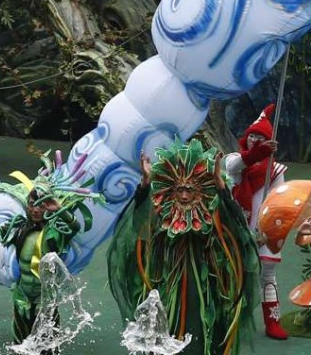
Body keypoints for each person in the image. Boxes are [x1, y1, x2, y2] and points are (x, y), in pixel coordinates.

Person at [108, 139, 258, 355]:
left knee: (199, 323)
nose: (185, 196)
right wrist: (145, 185)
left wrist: (220, 185)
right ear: (171, 190)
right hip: (167, 280)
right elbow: (138, 226)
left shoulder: (212, 212)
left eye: (190, 189)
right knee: (166, 322)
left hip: (203, 283)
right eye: (180, 190)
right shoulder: (161, 211)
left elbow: (237, 227)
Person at [0, 151, 101, 346]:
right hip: (22, 297)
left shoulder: (56, 232)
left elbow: (74, 227)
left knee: (48, 347)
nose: (36, 209)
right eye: (32, 204)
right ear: (27, 205)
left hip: (46, 300)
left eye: (41, 205)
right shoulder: (18, 229)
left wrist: (59, 210)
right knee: (20, 345)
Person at [223, 102, 289, 339]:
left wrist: (268, 233)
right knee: (231, 273)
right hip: (233, 228)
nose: (254, 140)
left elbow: (279, 203)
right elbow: (235, 165)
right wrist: (257, 154)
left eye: (260, 137)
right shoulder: (234, 160)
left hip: (261, 229)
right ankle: (229, 321)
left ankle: (272, 323)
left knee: (267, 276)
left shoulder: (276, 170)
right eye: (252, 136)